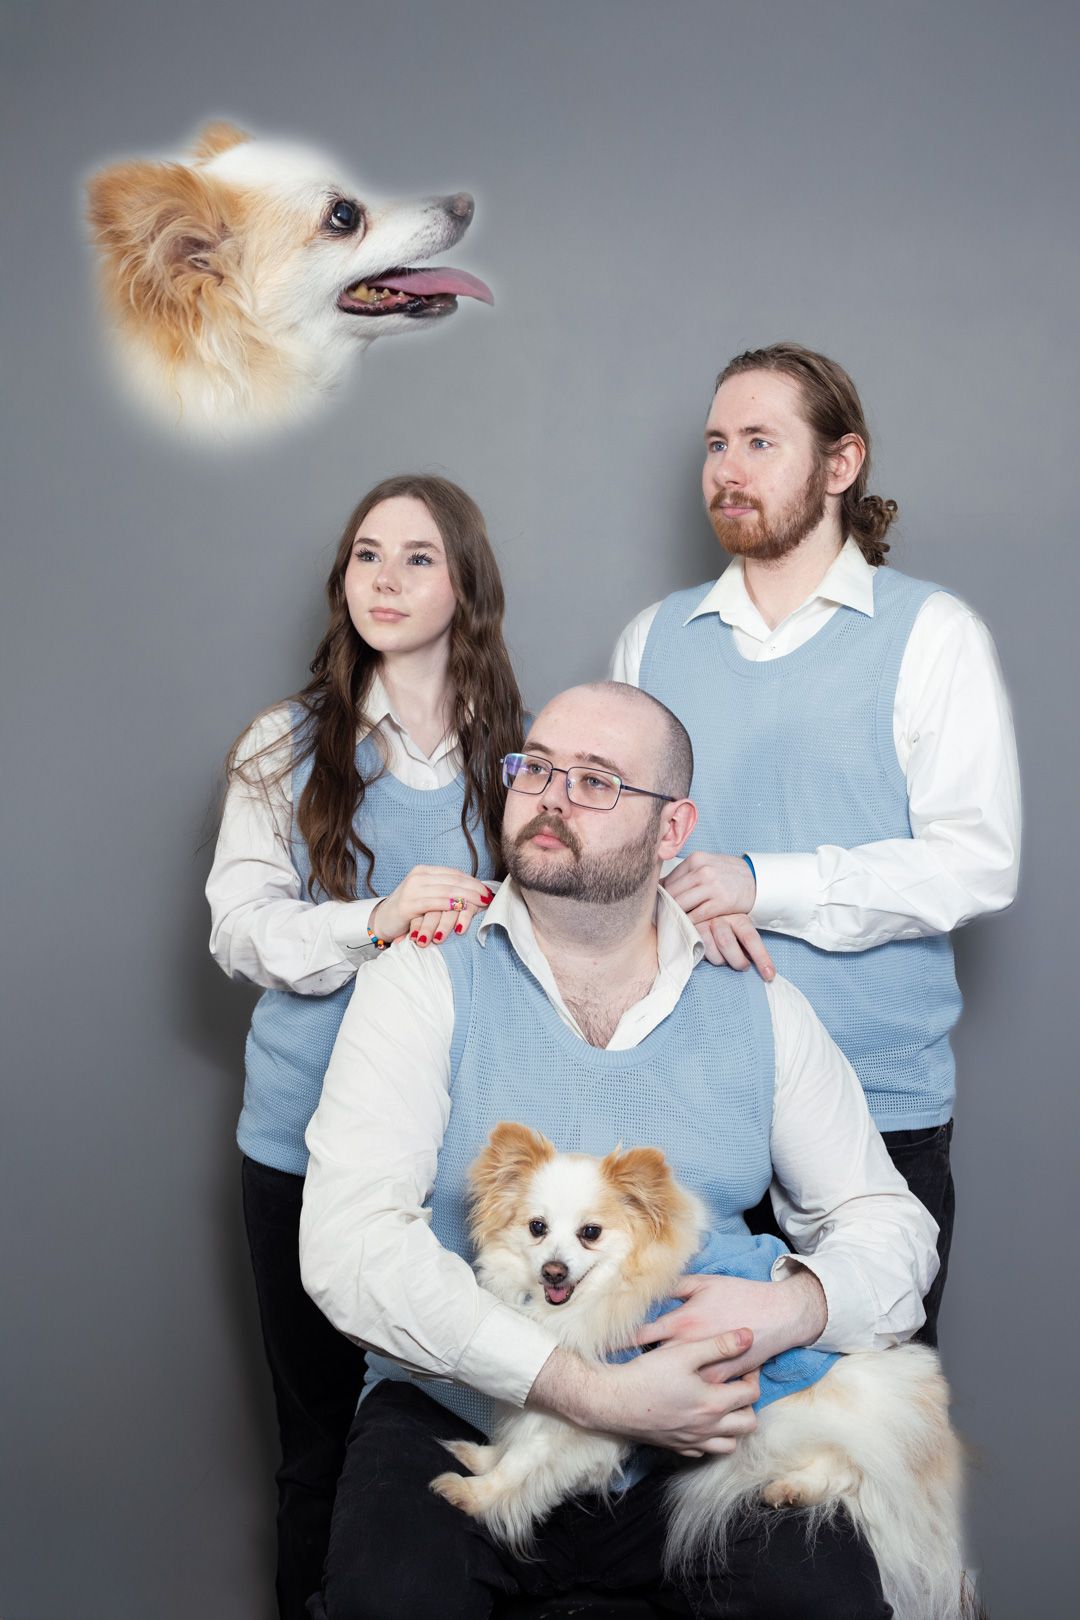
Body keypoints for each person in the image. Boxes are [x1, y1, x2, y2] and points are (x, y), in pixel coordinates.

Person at [299, 681, 938, 1620]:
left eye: (598, 781)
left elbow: (888, 1224)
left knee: (826, 1599)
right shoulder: (423, 981)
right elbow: (350, 1247)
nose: (552, 796)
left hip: (707, 1429)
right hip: (462, 1410)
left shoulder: (758, 1004)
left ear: (672, 829)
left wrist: (793, 1309)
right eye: (539, 768)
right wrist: (592, 1393)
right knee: (386, 1596)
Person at [613, 343, 1021, 1345]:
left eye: (760, 441)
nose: (727, 468)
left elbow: (977, 860)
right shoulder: (651, 641)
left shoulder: (932, 634)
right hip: (685, 1109)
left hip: (874, 1114)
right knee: (678, 1451)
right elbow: (616, 855)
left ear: (841, 466)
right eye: (716, 443)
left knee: (855, 1455)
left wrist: (763, 883)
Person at [206, 474, 523, 1620]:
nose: (385, 580)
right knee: (317, 1454)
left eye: (418, 558)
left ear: (466, 585)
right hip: (297, 1157)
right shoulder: (284, 744)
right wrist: (374, 920)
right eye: (366, 556)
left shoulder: (520, 763)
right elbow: (238, 931)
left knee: (452, 1450)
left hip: (460, 1170)